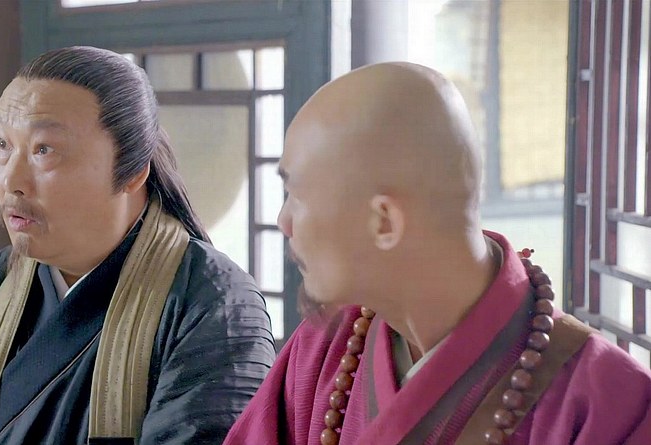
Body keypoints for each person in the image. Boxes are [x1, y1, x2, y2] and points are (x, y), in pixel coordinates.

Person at [0, 46, 275, 445]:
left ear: (132, 170)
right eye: (4, 144)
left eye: (44, 150)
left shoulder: (214, 305)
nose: (11, 180)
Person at [224, 62, 651, 445]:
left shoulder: (609, 406)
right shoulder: (324, 347)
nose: (284, 222)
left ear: (384, 222)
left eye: (296, 195)